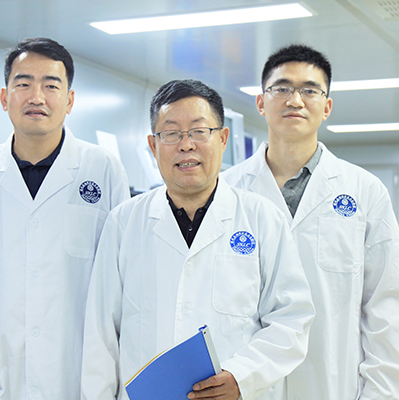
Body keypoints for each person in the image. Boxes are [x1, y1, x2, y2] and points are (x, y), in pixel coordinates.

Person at [0, 38, 129, 400]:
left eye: (51, 85)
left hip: (77, 375)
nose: (36, 97)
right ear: (5, 98)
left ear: (70, 100)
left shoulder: (104, 168)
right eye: (23, 84)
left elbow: (123, 269)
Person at [81, 79, 315, 400]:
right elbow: (100, 335)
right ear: (153, 146)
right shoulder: (124, 223)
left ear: (222, 139)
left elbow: (291, 320)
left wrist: (241, 376)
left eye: (199, 131)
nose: (186, 145)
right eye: (171, 133)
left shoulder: (263, 219)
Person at [222, 44, 399, 400]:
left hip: (332, 387)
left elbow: (388, 309)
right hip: (249, 388)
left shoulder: (365, 191)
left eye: (310, 90)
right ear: (261, 103)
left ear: (326, 107)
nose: (295, 100)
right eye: (282, 88)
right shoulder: (225, 191)